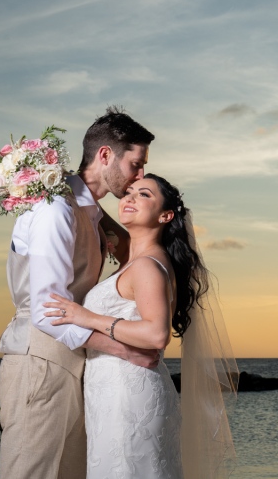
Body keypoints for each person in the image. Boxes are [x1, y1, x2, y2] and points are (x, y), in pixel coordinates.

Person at [0, 106, 157, 479]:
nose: (140, 175)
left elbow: (136, 250)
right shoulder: (56, 210)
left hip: (74, 364)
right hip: (39, 362)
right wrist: (122, 348)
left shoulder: (92, 214)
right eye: (136, 164)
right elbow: (47, 310)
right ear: (105, 156)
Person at [44, 174, 238, 479]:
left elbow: (156, 334)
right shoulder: (134, 257)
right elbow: (99, 216)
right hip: (114, 391)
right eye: (128, 192)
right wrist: (64, 178)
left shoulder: (148, 265)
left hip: (129, 395)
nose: (130, 198)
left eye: (144, 195)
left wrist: (87, 317)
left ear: (165, 215)